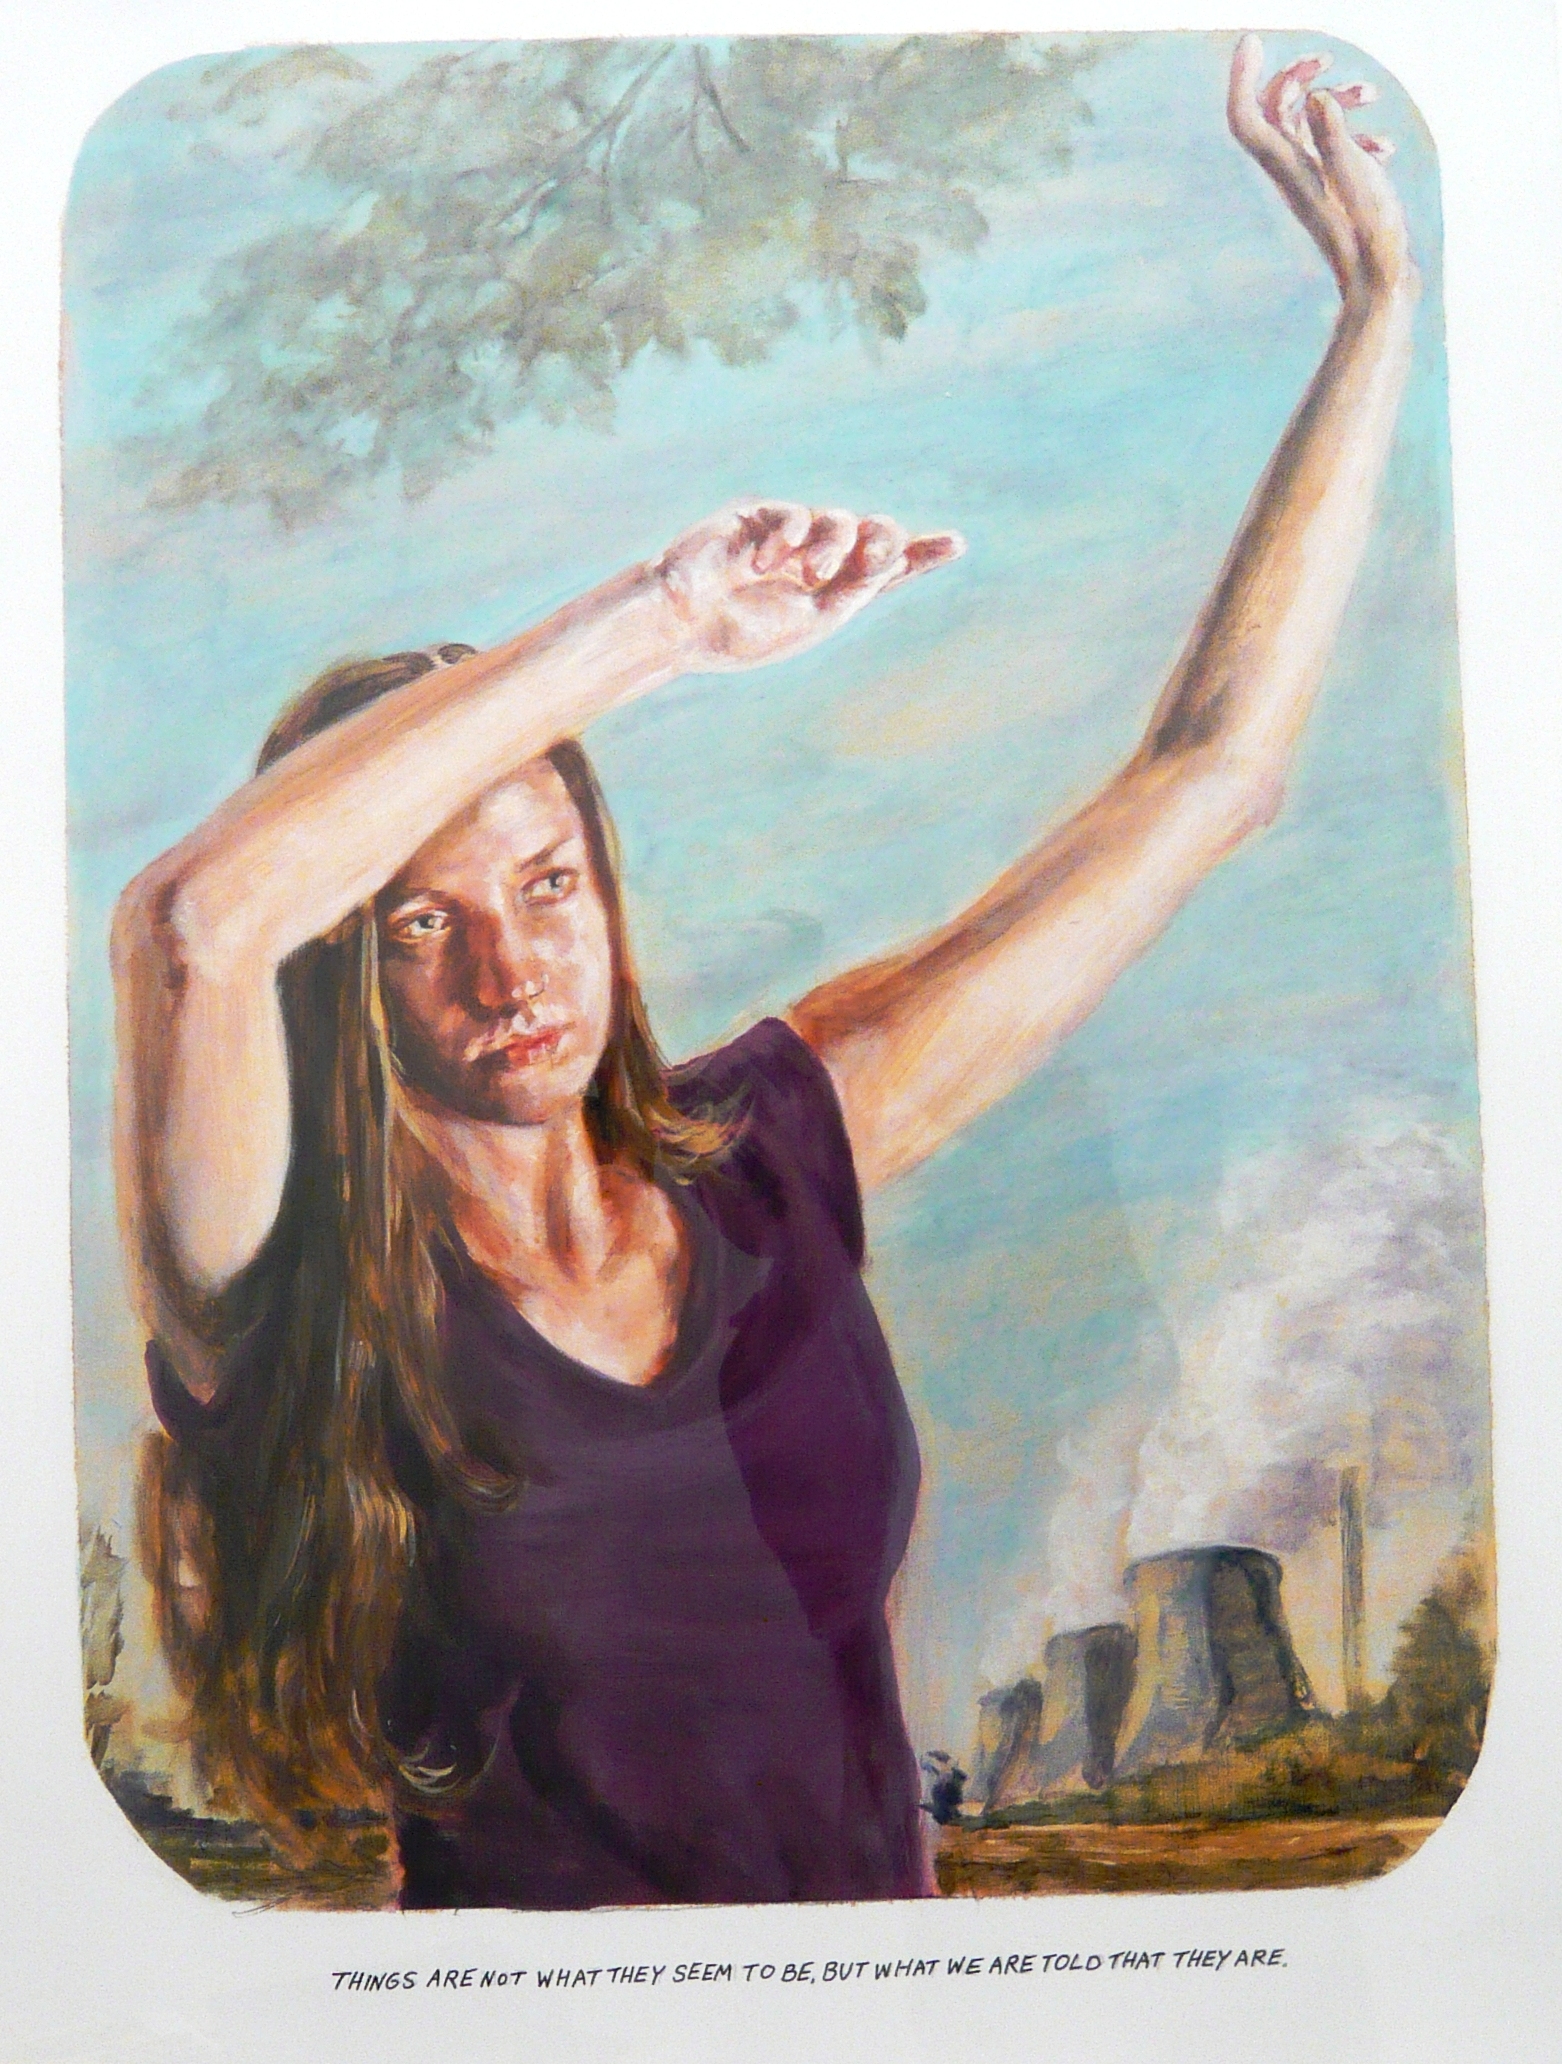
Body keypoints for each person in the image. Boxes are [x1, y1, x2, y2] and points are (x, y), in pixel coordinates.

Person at [114, 39, 1417, 1908]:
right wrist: (662, 624)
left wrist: (1376, 313)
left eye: (548, 884)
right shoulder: (275, 1272)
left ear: (608, 890)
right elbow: (192, 929)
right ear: (342, 967)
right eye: (418, 921)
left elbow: (1208, 781)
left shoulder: (767, 1156)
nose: (510, 964)